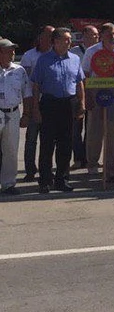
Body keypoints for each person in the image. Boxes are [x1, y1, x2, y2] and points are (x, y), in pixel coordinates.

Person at [30, 27, 86, 193]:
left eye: (69, 39)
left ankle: (62, 179)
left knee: (66, 144)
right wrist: (35, 109)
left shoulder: (75, 59)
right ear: (55, 41)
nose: (69, 42)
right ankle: (45, 181)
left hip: (68, 104)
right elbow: (36, 86)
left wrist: (81, 103)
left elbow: (79, 82)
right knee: (47, 144)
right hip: (49, 104)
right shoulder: (44, 60)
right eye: (65, 39)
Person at [81, 23, 114, 179]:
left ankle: (111, 167)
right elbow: (85, 74)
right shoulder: (92, 51)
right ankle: (92, 164)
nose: (113, 37)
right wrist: (88, 96)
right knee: (94, 130)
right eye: (110, 34)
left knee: (113, 131)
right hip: (95, 91)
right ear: (102, 34)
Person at [19, 25, 54, 182]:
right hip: (34, 102)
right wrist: (31, 107)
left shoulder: (56, 55)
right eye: (48, 36)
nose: (51, 39)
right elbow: (26, 82)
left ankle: (47, 169)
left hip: (51, 103)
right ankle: (30, 170)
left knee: (49, 139)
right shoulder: (29, 56)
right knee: (31, 139)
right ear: (40, 37)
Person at [0, 38, 32, 195]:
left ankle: (8, 184)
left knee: (11, 149)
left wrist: (26, 114)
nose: (13, 53)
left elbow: (27, 94)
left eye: (13, 50)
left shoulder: (19, 71)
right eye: (9, 50)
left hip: (13, 113)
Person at [69, 25, 99, 168]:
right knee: (76, 129)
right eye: (93, 34)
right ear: (84, 36)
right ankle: (78, 159)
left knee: (91, 128)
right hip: (77, 94)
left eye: (97, 34)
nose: (96, 37)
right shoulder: (74, 52)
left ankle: (89, 157)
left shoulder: (100, 51)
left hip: (94, 93)